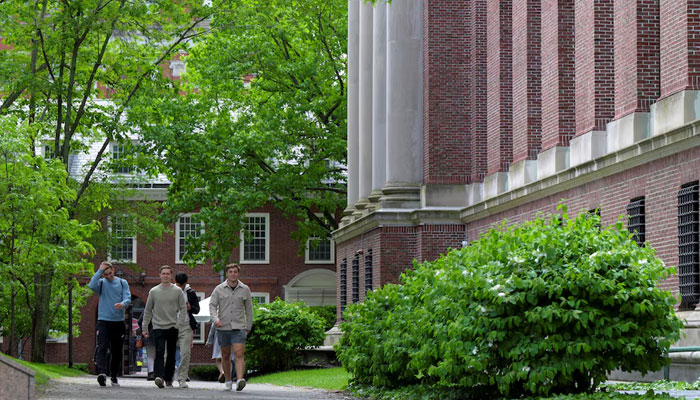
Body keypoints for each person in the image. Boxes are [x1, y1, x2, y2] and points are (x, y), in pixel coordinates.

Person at [209, 263, 252, 392]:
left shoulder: (245, 289)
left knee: (239, 354)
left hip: (239, 327)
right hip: (223, 327)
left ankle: (239, 380)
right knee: (225, 355)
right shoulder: (218, 289)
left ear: (238, 273)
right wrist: (215, 319)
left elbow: (249, 309)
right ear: (227, 274)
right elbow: (212, 306)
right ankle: (228, 380)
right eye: (230, 272)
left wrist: (248, 326)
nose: (233, 274)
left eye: (235, 272)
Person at [142, 265, 186, 389]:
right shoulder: (154, 291)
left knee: (171, 354)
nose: (165, 275)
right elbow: (148, 310)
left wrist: (179, 324)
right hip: (158, 326)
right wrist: (145, 327)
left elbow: (183, 309)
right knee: (159, 351)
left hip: (173, 326)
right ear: (160, 275)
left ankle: (168, 379)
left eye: (168, 273)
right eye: (163, 273)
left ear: (171, 275)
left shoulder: (177, 291)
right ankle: (159, 377)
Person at [88, 261, 131, 387]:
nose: (109, 276)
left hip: (118, 322)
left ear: (113, 269)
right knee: (102, 347)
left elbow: (127, 298)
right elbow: (91, 286)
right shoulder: (101, 283)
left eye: (110, 273)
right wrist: (99, 271)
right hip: (103, 321)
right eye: (106, 274)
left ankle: (113, 375)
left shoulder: (122, 283)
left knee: (116, 351)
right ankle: (102, 373)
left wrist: (122, 304)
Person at [173, 271, 200, 388]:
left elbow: (197, 309)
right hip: (171, 324)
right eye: (179, 285)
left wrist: (190, 308)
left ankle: (182, 378)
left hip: (186, 325)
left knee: (185, 353)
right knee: (167, 353)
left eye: (182, 285)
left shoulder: (191, 293)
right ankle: (167, 377)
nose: (181, 287)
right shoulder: (170, 291)